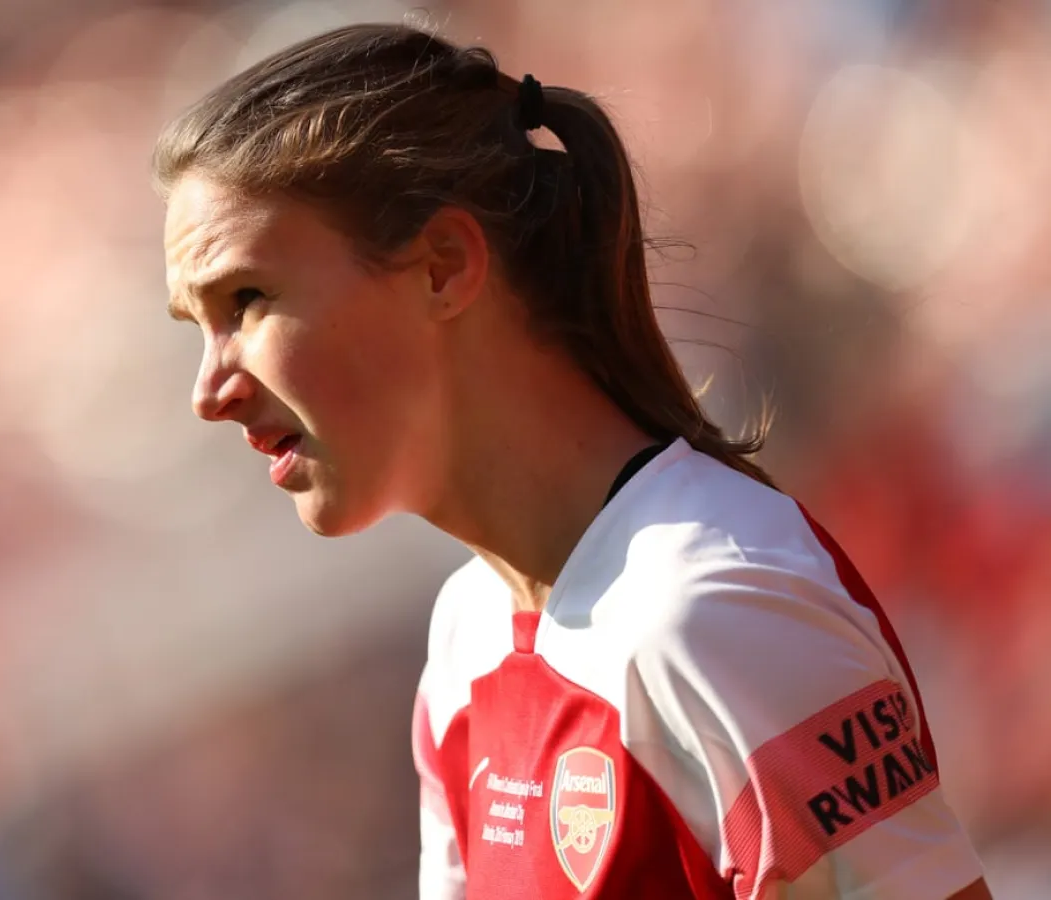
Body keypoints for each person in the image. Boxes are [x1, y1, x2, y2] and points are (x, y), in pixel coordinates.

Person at [154, 22, 991, 900]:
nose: (210, 389)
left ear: (442, 267)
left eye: (246, 300)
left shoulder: (707, 614)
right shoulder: (467, 635)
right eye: (196, 328)